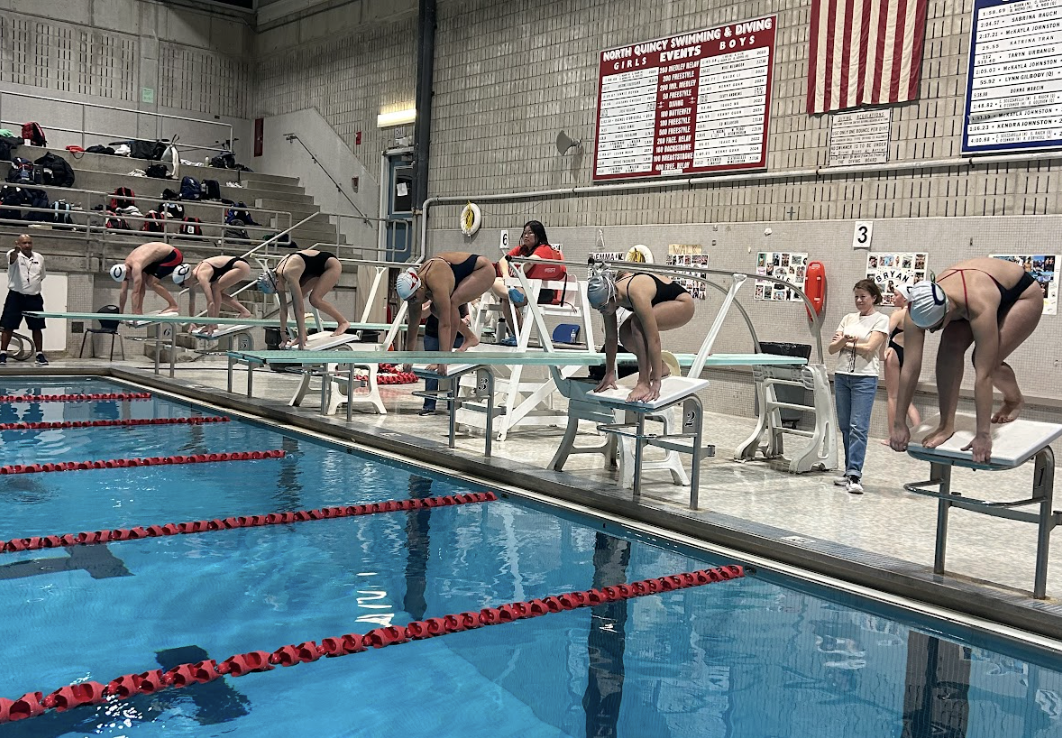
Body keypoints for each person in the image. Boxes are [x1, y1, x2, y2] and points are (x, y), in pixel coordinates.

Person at [890, 257, 1044, 464]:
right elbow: (910, 367)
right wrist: (899, 422)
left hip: (1019, 295)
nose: (933, 331)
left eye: (937, 326)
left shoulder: (978, 304)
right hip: (966, 293)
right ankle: (946, 424)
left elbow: (984, 376)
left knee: (988, 361)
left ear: (949, 310)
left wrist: (983, 434)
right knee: (948, 349)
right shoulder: (915, 309)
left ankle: (1013, 399)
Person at [587, 264, 695, 403]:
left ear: (612, 296)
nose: (602, 311)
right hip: (660, 304)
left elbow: (653, 339)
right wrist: (609, 373)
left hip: (683, 304)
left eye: (603, 307)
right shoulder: (607, 298)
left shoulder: (635, 292)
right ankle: (661, 368)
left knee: (637, 324)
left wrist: (656, 383)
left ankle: (644, 382)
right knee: (624, 333)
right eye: (597, 309)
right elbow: (611, 338)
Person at [828, 279, 888, 494]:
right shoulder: (848, 318)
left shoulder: (881, 319)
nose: (859, 300)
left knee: (858, 427)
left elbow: (871, 347)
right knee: (845, 426)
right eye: (856, 296)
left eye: (863, 296)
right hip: (843, 375)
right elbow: (832, 348)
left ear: (873, 297)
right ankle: (847, 470)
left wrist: (847, 341)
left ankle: (855, 474)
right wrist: (846, 341)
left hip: (865, 377)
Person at [396, 252, 495, 372]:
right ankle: (470, 337)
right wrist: (408, 358)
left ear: (420, 288)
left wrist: (442, 362)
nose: (413, 302)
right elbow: (413, 325)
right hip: (461, 275)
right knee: (434, 308)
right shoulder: (415, 291)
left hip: (483, 270)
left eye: (414, 299)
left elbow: (445, 324)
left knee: (452, 304)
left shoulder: (435, 280)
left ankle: (454, 350)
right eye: (409, 300)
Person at [491, 221, 565, 345]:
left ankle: (518, 334)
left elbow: (531, 261)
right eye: (524, 233)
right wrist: (506, 276)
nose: (526, 236)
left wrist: (516, 273)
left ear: (538, 234)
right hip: (522, 289)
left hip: (541, 291)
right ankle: (518, 334)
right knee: (497, 284)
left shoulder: (544, 248)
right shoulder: (521, 249)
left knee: (505, 300)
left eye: (530, 233)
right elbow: (503, 260)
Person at [259, 249, 350, 349]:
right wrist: (282, 332)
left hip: (330, 265)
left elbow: (299, 308)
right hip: (313, 269)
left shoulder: (289, 272)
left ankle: (343, 322)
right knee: (298, 296)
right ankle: (302, 335)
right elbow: (283, 307)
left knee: (314, 299)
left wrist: (301, 337)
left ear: (276, 282)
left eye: (276, 290)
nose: (279, 291)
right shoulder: (277, 275)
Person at [881, 284, 921, 443]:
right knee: (907, 399)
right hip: (911, 355)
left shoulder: (898, 314)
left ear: (904, 298)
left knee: (893, 397)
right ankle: (918, 433)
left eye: (896, 294)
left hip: (895, 353)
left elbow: (884, 333)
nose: (893, 297)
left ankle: (892, 436)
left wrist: (882, 351)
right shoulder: (916, 314)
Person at [1, 234, 47, 365]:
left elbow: (41, 276)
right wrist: (16, 249)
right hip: (16, 296)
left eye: (29, 243)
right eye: (24, 243)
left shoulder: (39, 257)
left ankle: (39, 354)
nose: (27, 245)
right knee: (8, 326)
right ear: (18, 244)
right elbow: (12, 258)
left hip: (34, 298)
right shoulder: (13, 254)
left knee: (37, 327)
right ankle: (2, 353)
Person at [419, 301, 468, 415]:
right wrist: (432, 302)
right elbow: (422, 314)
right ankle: (429, 405)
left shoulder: (458, 293)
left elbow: (466, 312)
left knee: (455, 371)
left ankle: (453, 405)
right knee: (431, 370)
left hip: (455, 334)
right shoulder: (432, 294)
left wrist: (466, 319)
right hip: (433, 333)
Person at [111, 242, 188, 315]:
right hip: (156, 258)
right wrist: (120, 314)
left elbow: (135, 292)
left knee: (151, 282)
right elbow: (123, 291)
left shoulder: (136, 266)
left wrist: (133, 315)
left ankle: (173, 305)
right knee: (142, 281)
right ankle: (138, 311)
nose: (127, 279)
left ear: (127, 271)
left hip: (173, 255)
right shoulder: (125, 267)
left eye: (127, 277)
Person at [187, 255, 253, 336]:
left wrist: (211, 323)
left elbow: (210, 302)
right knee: (218, 292)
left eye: (183, 284)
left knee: (215, 288)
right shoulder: (192, 277)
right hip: (234, 265)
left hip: (240, 266)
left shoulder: (202, 276)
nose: (184, 287)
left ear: (187, 279)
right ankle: (245, 312)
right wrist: (191, 322)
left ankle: (215, 322)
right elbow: (191, 302)